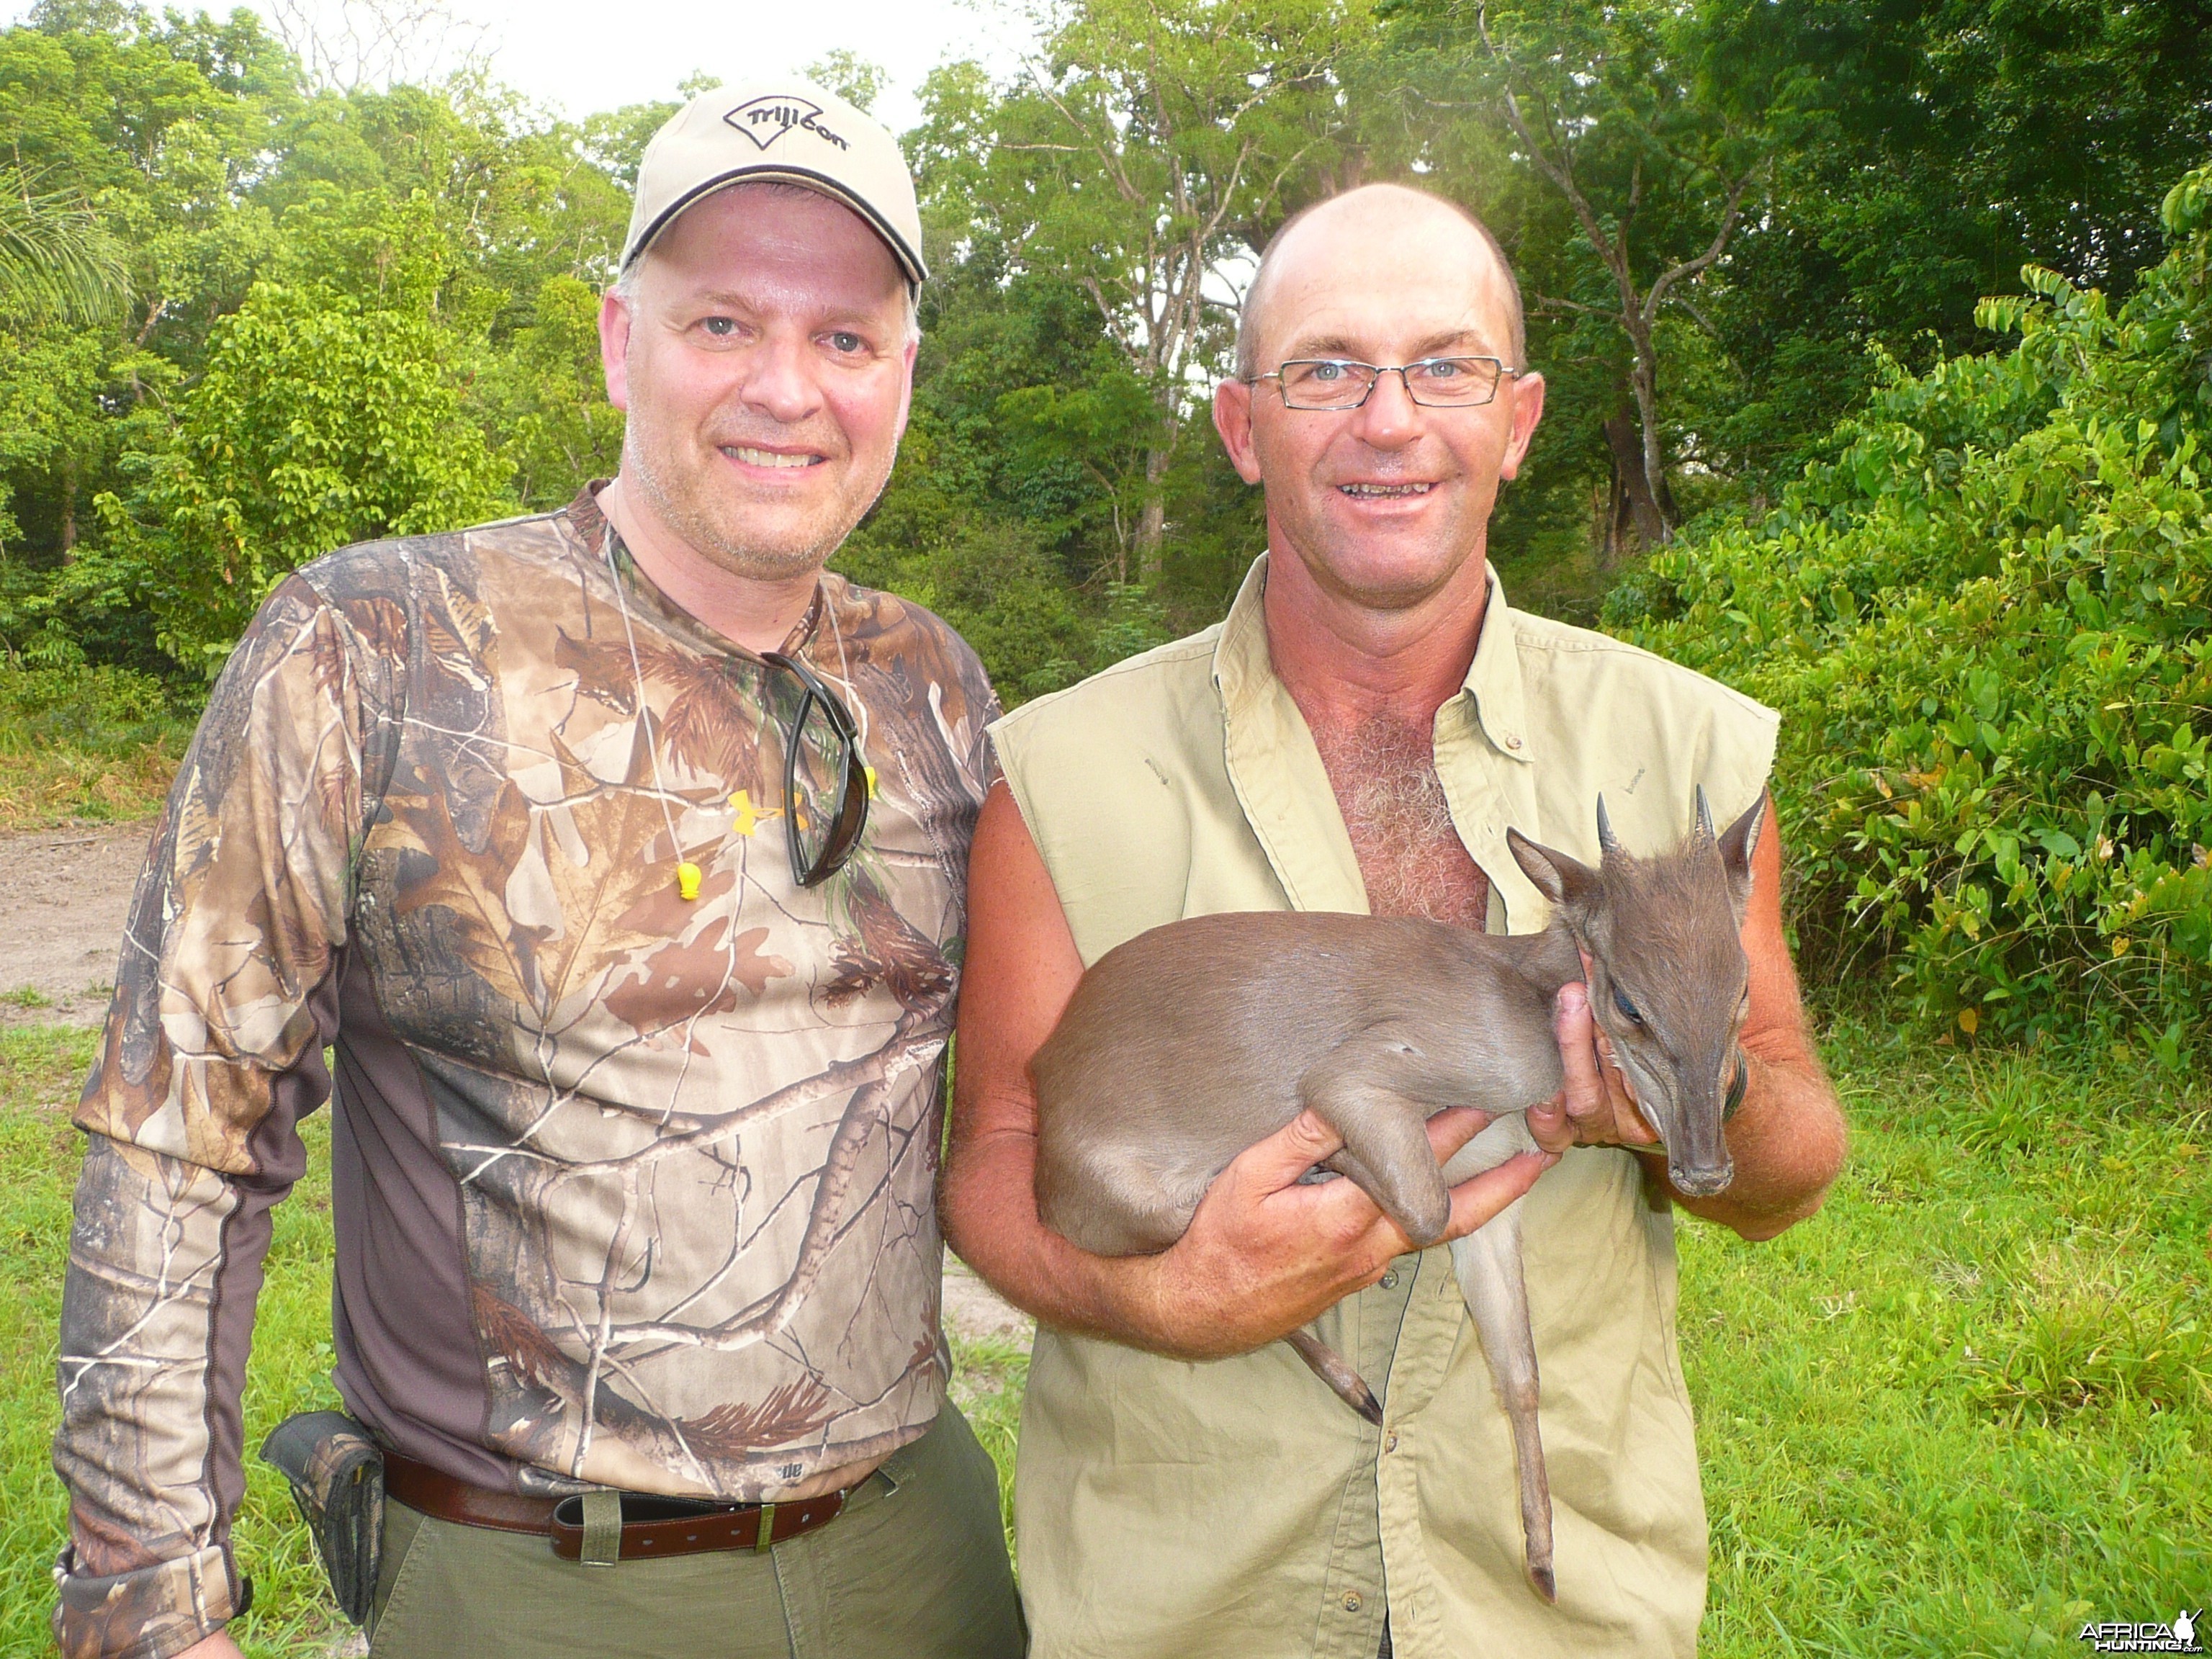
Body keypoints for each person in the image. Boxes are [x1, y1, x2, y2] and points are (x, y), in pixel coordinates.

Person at [52, 80, 1025, 1659]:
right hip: (537, 1592)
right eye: (722, 322)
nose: (787, 387)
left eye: (844, 338)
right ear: (618, 342)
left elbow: (1034, 1098)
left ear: (902, 375)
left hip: (918, 1560)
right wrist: (143, 1607)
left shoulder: (932, 689)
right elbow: (180, 1145)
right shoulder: (375, 644)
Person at [943, 181, 1849, 1658]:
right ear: (1244, 428)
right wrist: (1166, 1298)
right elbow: (989, 1159)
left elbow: (1794, 1156)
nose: (1388, 420)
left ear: (1521, 417)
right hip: (1184, 1611)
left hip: (1556, 1621)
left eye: (1445, 366)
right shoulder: (1061, 773)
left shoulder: (1687, 764)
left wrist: (1687, 1097)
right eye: (1325, 371)